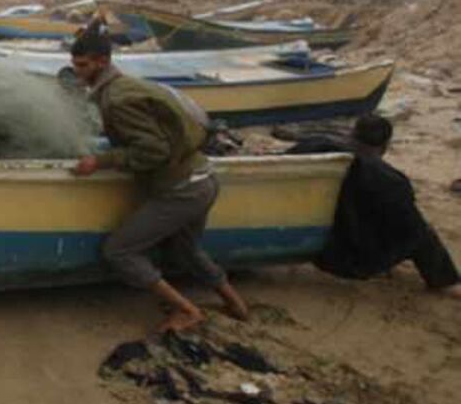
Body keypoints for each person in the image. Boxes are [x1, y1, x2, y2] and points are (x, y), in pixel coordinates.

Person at [68, 27, 250, 332]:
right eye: (75, 65)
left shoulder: (116, 100)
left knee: (120, 251)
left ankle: (188, 311)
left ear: (101, 62)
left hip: (181, 190)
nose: (77, 72)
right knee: (185, 250)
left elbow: (154, 150)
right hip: (203, 178)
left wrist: (99, 161)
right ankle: (236, 304)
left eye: (82, 65)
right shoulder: (127, 85)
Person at [293, 114, 461, 299]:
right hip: (355, 262)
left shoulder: (313, 146)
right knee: (422, 233)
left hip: (310, 246)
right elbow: (411, 230)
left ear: (352, 133)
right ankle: (446, 282)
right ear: (385, 146)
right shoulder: (391, 181)